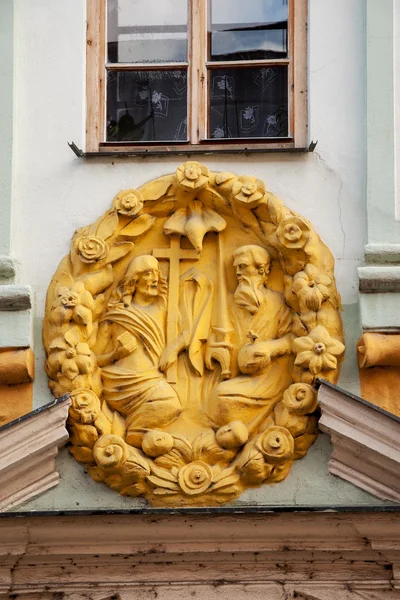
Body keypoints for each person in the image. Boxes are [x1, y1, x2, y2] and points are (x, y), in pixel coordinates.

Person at [95, 255, 182, 445]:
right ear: (134, 279)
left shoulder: (164, 307)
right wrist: (115, 354)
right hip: (121, 383)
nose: (155, 278)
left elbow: (187, 332)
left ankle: (134, 431)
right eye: (148, 273)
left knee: (172, 405)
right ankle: (135, 432)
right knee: (170, 403)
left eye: (157, 273)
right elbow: (94, 359)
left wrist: (173, 349)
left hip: (152, 379)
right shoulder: (116, 316)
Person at [209, 245, 294, 427]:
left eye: (242, 266)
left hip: (267, 376)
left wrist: (269, 348)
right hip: (232, 373)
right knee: (215, 395)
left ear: (261, 269)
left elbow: (291, 339)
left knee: (222, 397)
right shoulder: (227, 305)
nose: (238, 273)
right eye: (236, 268)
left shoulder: (277, 302)